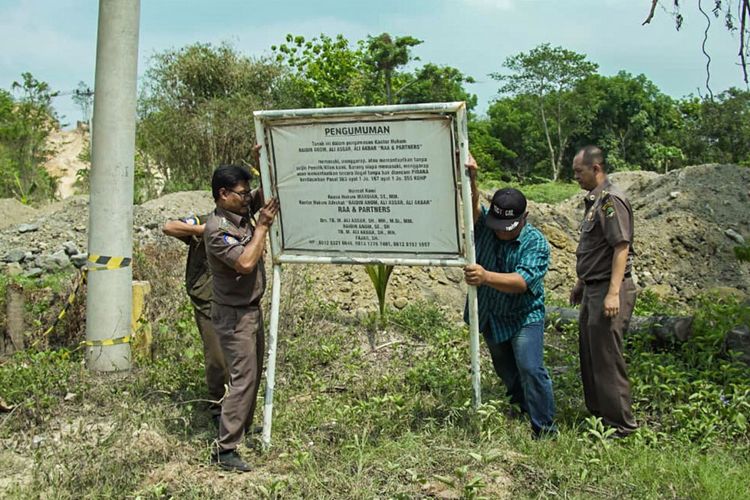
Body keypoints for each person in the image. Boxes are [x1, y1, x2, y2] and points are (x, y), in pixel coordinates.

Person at [464, 155, 557, 438]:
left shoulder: (536, 242)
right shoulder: (487, 227)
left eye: (509, 229)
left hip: (523, 315)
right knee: (506, 371)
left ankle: (545, 428)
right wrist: (472, 177)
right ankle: (519, 408)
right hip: (492, 313)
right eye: (498, 227)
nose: (502, 234)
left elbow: (520, 282)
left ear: (524, 218)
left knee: (530, 368)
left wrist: (486, 276)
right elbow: (471, 208)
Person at [204, 164, 279, 472]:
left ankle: (240, 432)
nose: (249, 197)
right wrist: (261, 227)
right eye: (242, 193)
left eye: (249, 192)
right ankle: (225, 450)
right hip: (233, 316)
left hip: (249, 310)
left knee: (251, 375)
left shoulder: (240, 212)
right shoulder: (217, 229)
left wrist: (262, 158)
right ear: (223, 195)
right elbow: (246, 263)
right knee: (242, 380)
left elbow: (267, 195)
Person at [570, 145, 637, 438]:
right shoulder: (594, 202)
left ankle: (621, 426)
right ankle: (599, 418)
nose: (576, 177)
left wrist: (612, 293)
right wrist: (582, 282)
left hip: (610, 289)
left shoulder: (611, 201)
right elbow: (594, 248)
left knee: (607, 357)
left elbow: (620, 246)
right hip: (593, 287)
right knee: (591, 354)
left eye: (579, 171)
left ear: (596, 169)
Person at [162, 213, 227, 421]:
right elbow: (169, 227)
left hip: (238, 301)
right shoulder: (205, 220)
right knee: (217, 358)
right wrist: (203, 230)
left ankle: (237, 411)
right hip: (209, 300)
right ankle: (219, 408)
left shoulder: (246, 224)